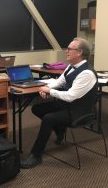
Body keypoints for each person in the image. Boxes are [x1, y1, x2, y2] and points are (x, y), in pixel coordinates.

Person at [20, 37, 98, 169]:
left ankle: (35, 155)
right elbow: (59, 82)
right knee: (37, 109)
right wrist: (45, 88)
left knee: (48, 118)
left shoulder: (87, 73)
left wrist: (49, 91)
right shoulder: (71, 67)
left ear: (79, 52)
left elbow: (70, 96)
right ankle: (60, 129)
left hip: (79, 112)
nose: (66, 51)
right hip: (68, 106)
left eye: (69, 49)